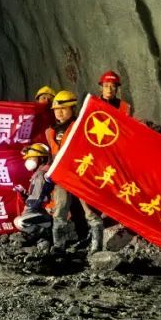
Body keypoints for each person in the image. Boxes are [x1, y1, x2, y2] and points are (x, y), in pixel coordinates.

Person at [45, 90, 104, 253]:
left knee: (89, 209)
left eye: (63, 108)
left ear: (72, 108)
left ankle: (97, 244)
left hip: (80, 174)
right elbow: (52, 155)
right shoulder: (50, 131)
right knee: (60, 208)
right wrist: (49, 172)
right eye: (56, 109)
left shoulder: (80, 126)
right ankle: (59, 246)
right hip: (61, 177)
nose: (59, 112)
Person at [13, 142, 55, 248]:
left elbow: (35, 201)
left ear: (41, 159)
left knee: (21, 221)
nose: (29, 161)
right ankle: (42, 239)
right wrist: (24, 193)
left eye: (32, 158)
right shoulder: (39, 173)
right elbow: (36, 196)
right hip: (44, 213)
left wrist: (26, 212)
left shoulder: (41, 174)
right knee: (21, 220)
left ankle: (45, 234)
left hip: (49, 214)